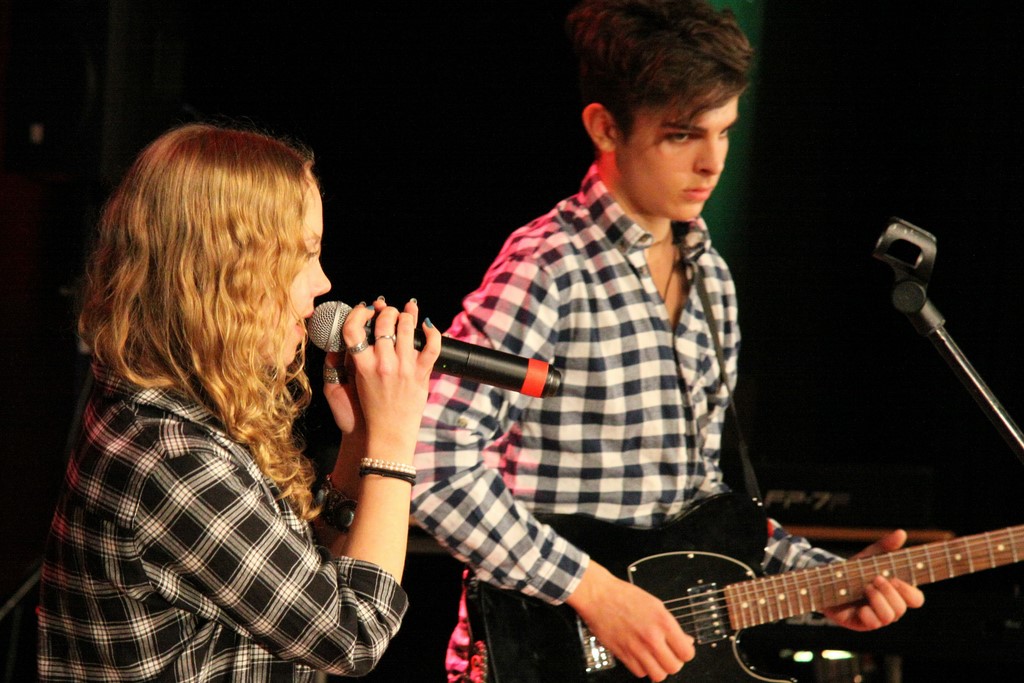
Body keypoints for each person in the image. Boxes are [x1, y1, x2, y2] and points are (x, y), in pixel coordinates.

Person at [410, 1, 925, 681]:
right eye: (682, 135)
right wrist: (595, 591)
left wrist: (823, 584)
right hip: (540, 654)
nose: (712, 162)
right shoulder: (549, 266)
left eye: (724, 132)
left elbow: (702, 507)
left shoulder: (712, 278)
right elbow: (432, 458)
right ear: (605, 127)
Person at [36, 123, 442, 681]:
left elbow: (312, 583)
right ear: (226, 271)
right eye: (302, 254)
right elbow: (352, 636)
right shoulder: (171, 455)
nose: (323, 283)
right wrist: (394, 442)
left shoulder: (192, 410)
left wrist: (359, 442)